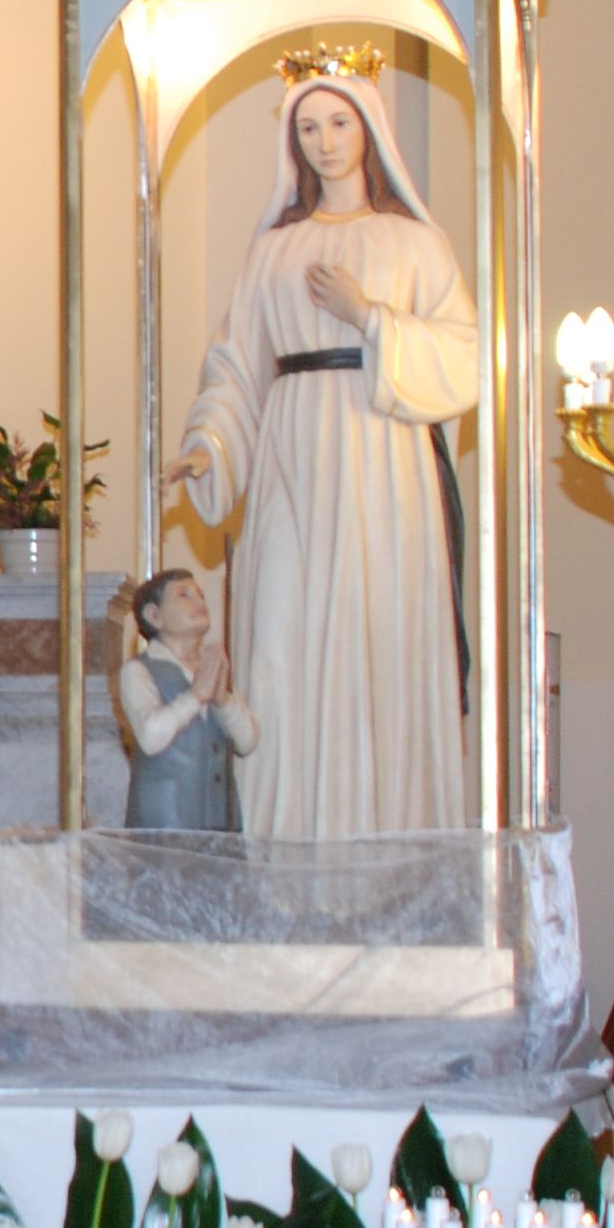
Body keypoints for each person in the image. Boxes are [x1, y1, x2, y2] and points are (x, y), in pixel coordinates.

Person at [158, 66, 478, 837]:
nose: (325, 143)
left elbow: (465, 358)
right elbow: (236, 364)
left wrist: (370, 317)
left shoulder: (416, 243)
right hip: (291, 455)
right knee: (280, 641)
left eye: (339, 124)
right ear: (291, 141)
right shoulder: (274, 251)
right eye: (308, 128)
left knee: (378, 639)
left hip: (383, 458)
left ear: (369, 131)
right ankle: (287, 851)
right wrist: (209, 447)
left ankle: (382, 845)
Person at [116, 568, 253, 831]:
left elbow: (247, 740)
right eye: (184, 595)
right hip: (165, 823)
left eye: (200, 594)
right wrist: (195, 696)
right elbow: (150, 736)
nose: (199, 601)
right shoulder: (139, 671)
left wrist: (223, 700)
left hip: (220, 824)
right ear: (154, 615)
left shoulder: (211, 668)